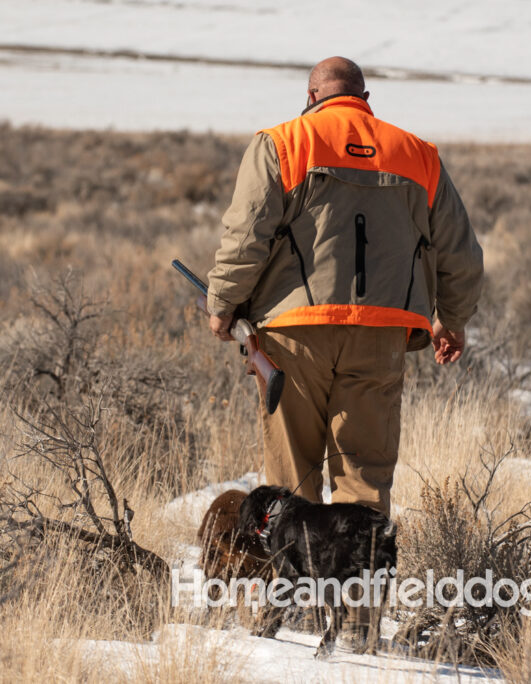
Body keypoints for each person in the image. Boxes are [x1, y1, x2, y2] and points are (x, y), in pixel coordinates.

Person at [206, 56, 483, 518]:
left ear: (311, 97)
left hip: (294, 334)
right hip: (382, 335)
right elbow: (462, 253)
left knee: (291, 483)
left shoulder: (281, 143)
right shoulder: (419, 154)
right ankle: (361, 589)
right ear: (365, 100)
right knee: (365, 481)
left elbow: (246, 236)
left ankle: (295, 589)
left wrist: (223, 304)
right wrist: (451, 321)